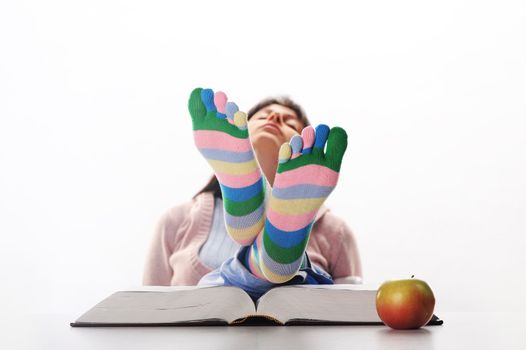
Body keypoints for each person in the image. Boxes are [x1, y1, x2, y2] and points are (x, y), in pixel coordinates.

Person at [143, 87, 362, 299]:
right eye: (263, 115)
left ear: (304, 148)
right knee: (278, 263)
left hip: (295, 330)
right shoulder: (176, 220)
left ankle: (250, 218)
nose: (275, 117)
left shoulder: (336, 231)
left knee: (301, 271)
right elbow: (147, 307)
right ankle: (278, 249)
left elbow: (350, 309)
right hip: (197, 330)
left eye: (290, 122)